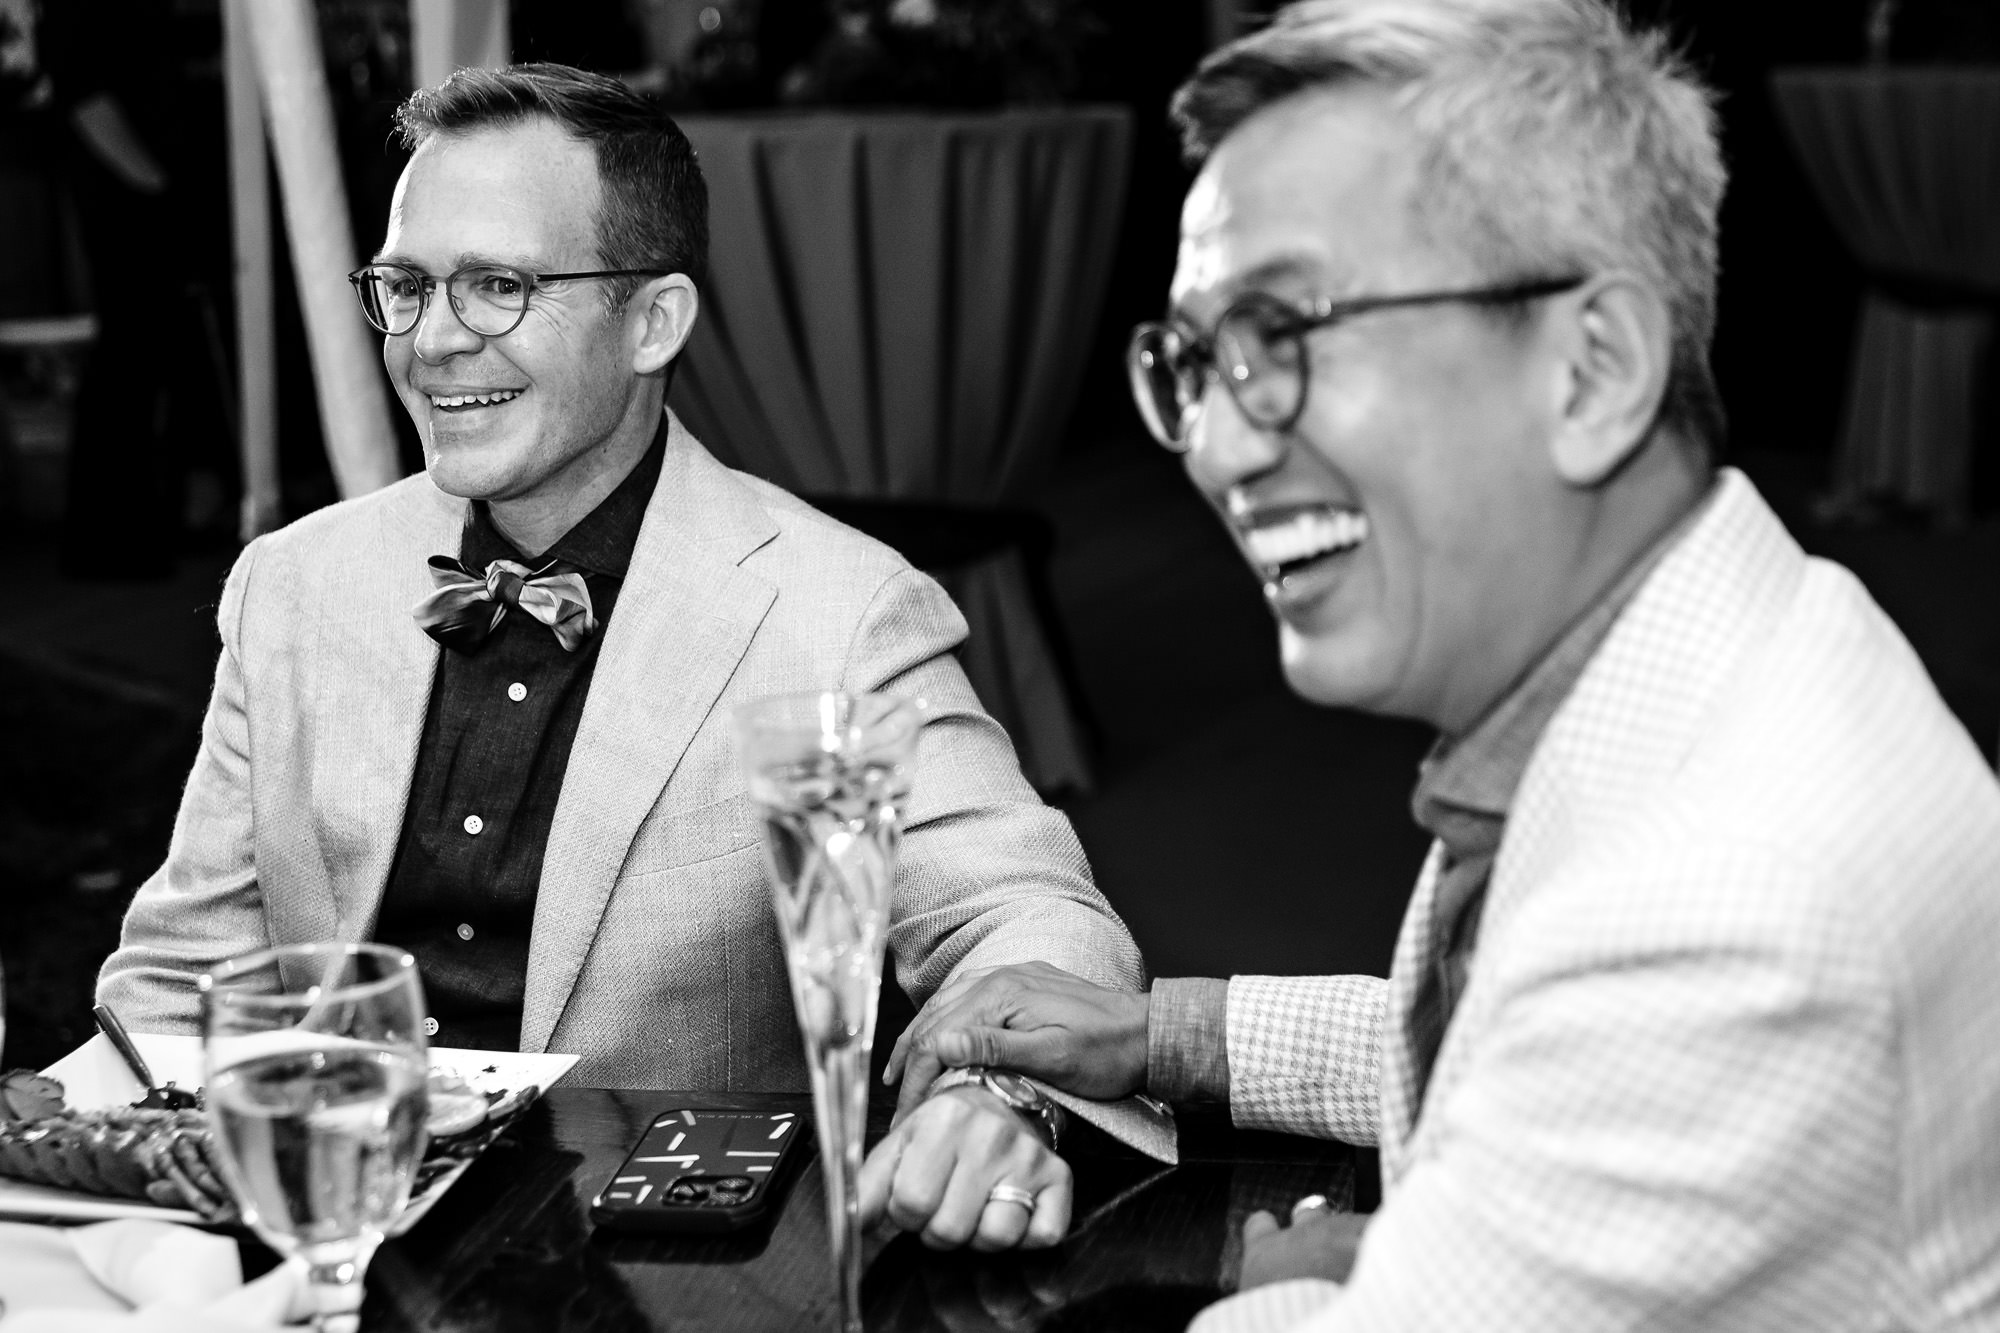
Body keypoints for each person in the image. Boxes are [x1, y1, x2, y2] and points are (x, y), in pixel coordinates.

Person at [886, 0, 2000, 1324]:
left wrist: (1276, 1277)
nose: (1220, 449)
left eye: (1287, 334)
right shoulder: (1742, 643)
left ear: (1594, 371)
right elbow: (1527, 1042)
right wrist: (1161, 1035)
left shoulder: (1725, 906)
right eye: (1196, 360)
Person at [96, 62, 1149, 1253]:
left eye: (497, 286)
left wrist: (992, 1096)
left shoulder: (835, 612)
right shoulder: (295, 582)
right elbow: (180, 979)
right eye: (405, 285)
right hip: (320, 1244)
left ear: (654, 322)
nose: (434, 341)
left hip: (674, 1273)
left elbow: (1028, 921)